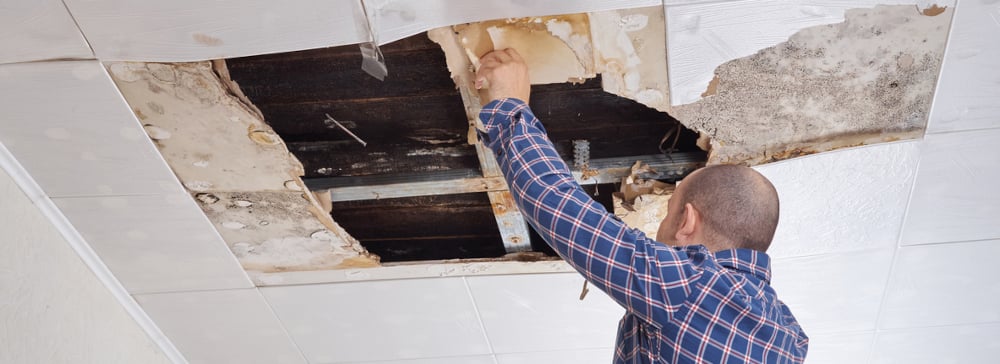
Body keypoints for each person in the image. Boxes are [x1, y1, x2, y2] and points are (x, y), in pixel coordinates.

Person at [474, 48, 809, 363]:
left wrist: (509, 106)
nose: (661, 227)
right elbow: (559, 206)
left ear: (686, 222)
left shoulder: (695, 289)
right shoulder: (788, 337)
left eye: (668, 213)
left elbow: (562, 209)